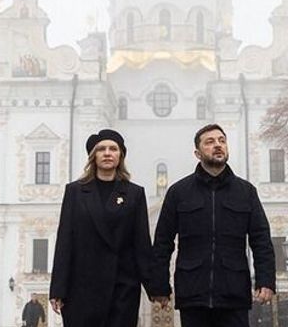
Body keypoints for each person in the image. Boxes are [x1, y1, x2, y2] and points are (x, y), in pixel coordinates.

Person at [150, 123, 276, 327]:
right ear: (197, 153)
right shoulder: (179, 192)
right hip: (193, 292)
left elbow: (261, 239)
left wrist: (266, 280)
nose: (218, 145)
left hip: (233, 292)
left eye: (222, 141)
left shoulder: (246, 192)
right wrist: (159, 285)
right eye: (209, 142)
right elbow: (163, 242)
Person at [49, 129, 153, 326]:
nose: (107, 153)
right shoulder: (75, 191)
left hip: (122, 287)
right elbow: (65, 241)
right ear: (93, 156)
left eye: (113, 149)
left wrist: (155, 288)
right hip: (81, 288)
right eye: (101, 149)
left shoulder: (134, 193)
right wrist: (58, 288)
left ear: (120, 156)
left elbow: (141, 243)